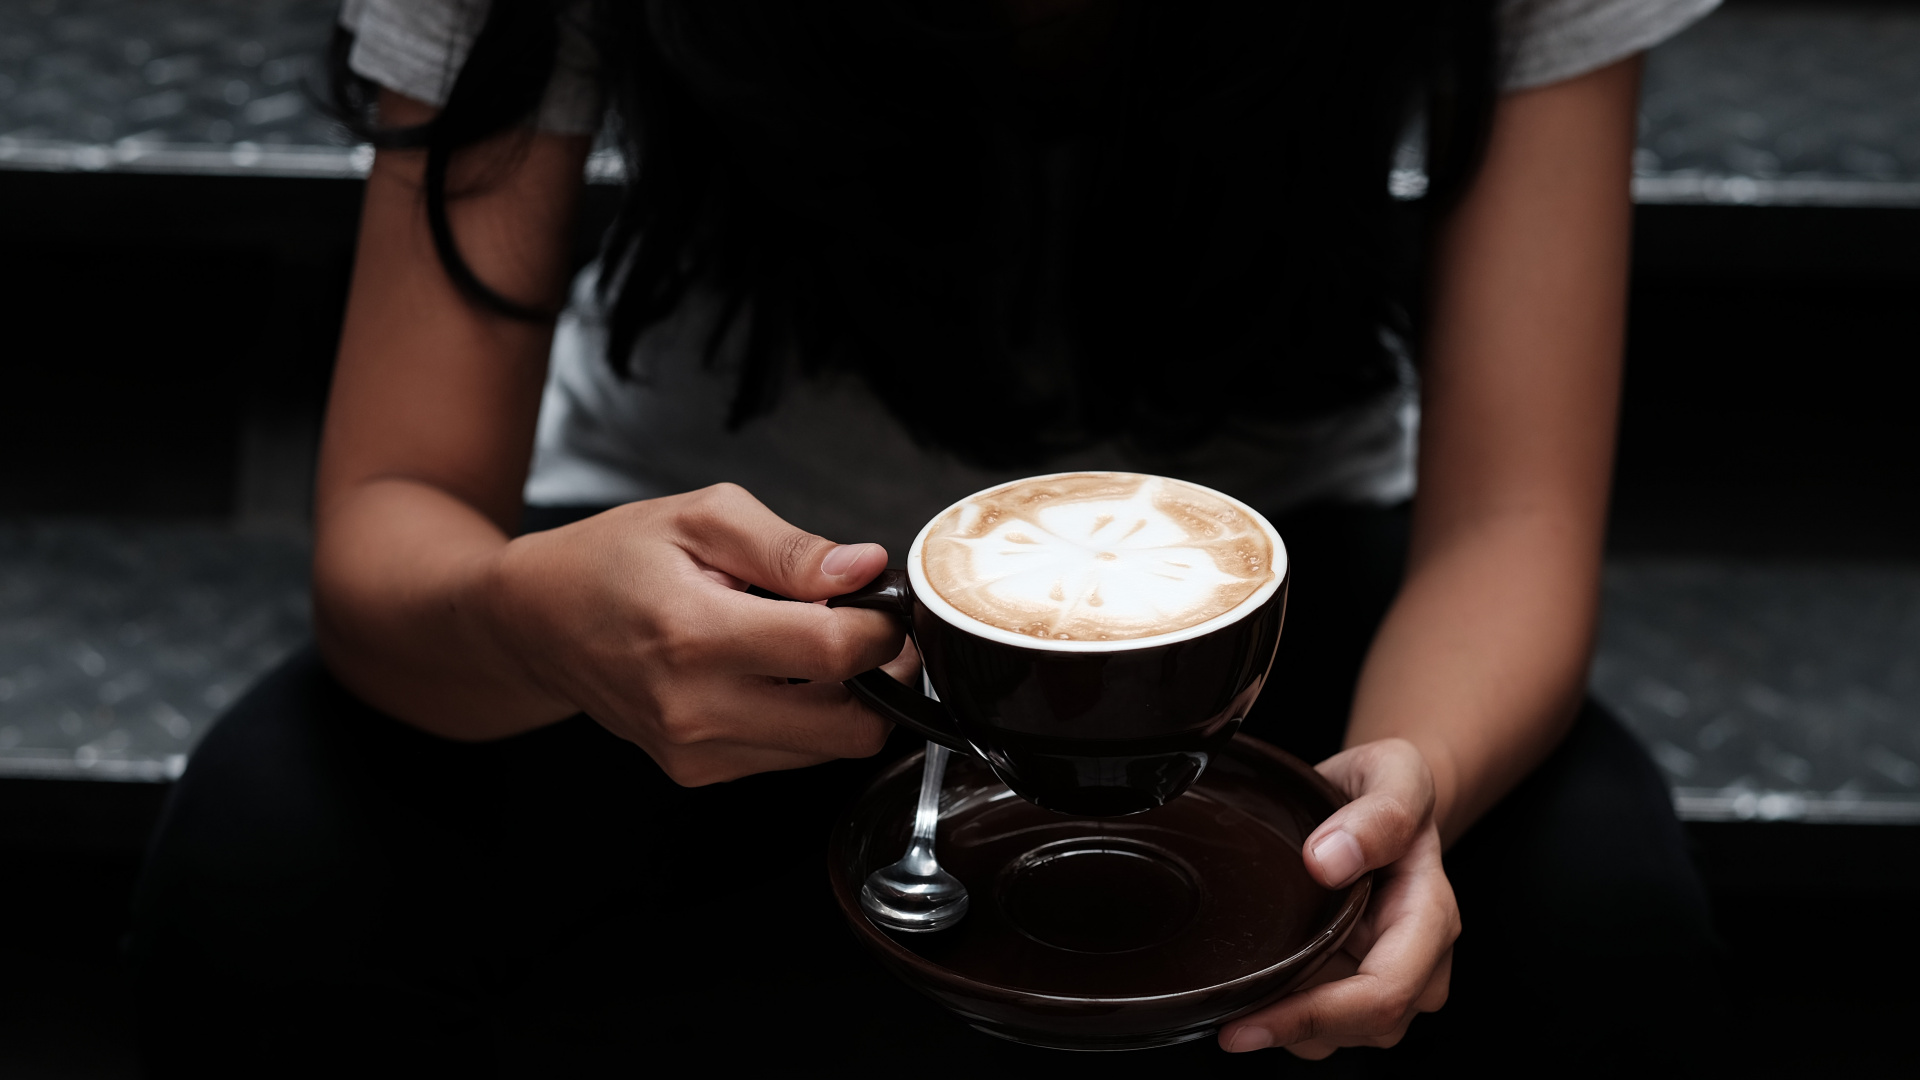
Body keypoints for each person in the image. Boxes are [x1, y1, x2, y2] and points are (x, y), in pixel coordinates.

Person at [131, 0, 1725, 1072]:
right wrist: (531, 625)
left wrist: (1404, 791)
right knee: (265, 858)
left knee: (1600, 911)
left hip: (1261, 601)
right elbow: (392, 521)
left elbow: (1514, 513)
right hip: (710, 574)